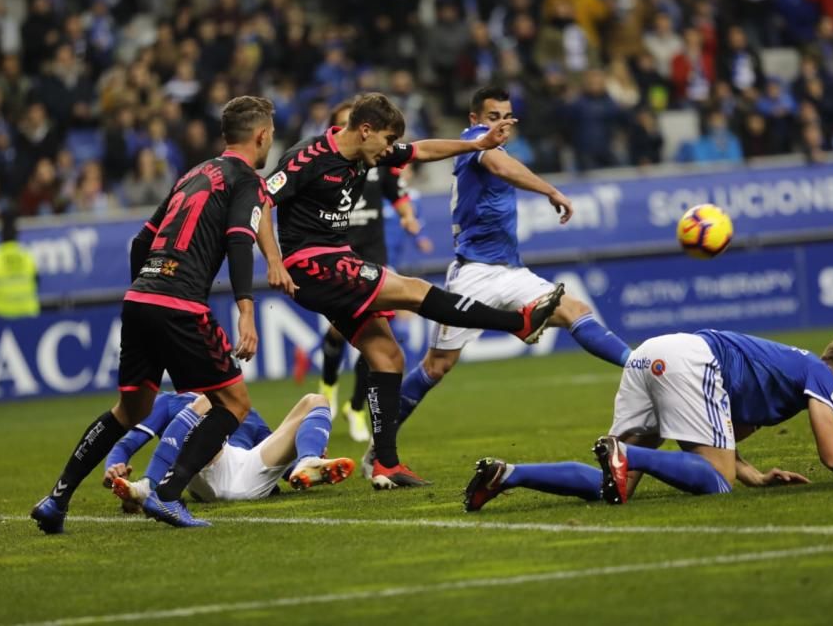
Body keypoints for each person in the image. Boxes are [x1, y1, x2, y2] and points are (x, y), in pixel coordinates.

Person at [257, 92, 565, 490]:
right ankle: (517, 323)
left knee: (387, 356)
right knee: (415, 290)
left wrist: (475, 144)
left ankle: (385, 463)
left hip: (333, 262)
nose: (389, 151)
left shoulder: (366, 152)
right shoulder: (308, 157)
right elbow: (261, 200)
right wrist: (273, 261)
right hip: (312, 264)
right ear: (365, 130)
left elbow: (419, 151)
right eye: (386, 140)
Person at [30, 96, 274, 532]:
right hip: (179, 303)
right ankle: (166, 494)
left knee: (130, 409)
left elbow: (140, 243)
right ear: (262, 136)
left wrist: (146, 289)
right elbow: (240, 240)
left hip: (141, 297)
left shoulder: (194, 174)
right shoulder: (248, 181)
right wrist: (246, 311)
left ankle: (57, 498)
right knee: (234, 404)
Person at [397, 86, 631, 436]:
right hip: (473, 274)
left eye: (507, 117)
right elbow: (499, 165)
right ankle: (381, 440)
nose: (501, 124)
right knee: (437, 365)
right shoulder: (475, 142)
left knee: (575, 311)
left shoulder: (494, 146)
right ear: (475, 119)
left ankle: (639, 364)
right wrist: (551, 190)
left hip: (512, 271)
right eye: (493, 117)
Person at [464, 331, 833, 512]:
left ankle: (508, 474)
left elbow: (719, 443)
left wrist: (757, 478)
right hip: (691, 360)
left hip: (650, 355)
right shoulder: (820, 375)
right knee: (715, 482)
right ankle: (626, 453)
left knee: (613, 487)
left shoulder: (783, 383)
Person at [317, 99, 427, 443]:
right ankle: (328, 386)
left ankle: (356, 407)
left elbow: (398, 193)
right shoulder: (327, 165)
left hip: (373, 255)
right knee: (338, 332)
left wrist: (408, 217)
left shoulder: (379, 163)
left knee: (377, 336)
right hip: (340, 252)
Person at [104, 391, 353, 512]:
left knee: (315, 400)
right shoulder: (169, 401)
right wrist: (113, 466)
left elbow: (283, 473)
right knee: (205, 403)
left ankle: (308, 459)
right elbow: (126, 444)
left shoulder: (247, 411)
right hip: (207, 471)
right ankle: (145, 486)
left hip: (248, 475)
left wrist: (304, 451)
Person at [0, 210, 40, 318]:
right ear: (17, 234)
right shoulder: (28, 257)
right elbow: (36, 282)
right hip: (28, 315)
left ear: (0, 234)